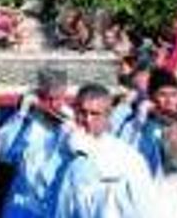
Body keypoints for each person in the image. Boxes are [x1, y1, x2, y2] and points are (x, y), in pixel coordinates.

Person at [46, 83, 157, 218]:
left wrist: (84, 155)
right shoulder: (59, 147)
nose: (87, 120)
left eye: (95, 114)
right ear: (74, 112)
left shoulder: (128, 157)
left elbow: (145, 209)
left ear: (108, 115)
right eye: (82, 112)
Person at [0, 67, 72, 218]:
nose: (54, 103)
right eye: (49, 98)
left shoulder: (73, 120)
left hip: (58, 194)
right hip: (25, 195)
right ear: (40, 94)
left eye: (59, 98)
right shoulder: (26, 118)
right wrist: (23, 116)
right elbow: (5, 153)